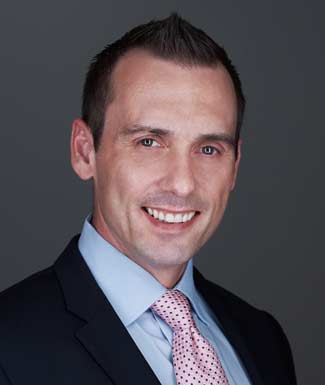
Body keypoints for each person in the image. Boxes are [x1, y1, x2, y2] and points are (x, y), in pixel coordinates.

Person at [0, 14, 297, 385]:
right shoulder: (9, 344)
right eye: (149, 142)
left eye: (208, 148)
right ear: (84, 151)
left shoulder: (263, 339)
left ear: (235, 165)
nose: (182, 184)